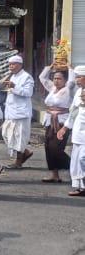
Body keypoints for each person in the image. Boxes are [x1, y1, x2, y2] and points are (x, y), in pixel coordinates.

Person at [39, 62, 73, 182]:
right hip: (49, 121)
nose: (56, 81)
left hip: (62, 121)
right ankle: (55, 174)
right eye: (54, 78)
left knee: (56, 148)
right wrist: (50, 66)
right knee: (48, 147)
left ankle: (74, 166)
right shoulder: (52, 88)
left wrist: (69, 68)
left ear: (65, 80)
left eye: (59, 78)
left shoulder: (68, 89)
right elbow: (42, 77)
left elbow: (72, 81)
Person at [1, 54, 34, 168]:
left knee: (19, 137)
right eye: (10, 64)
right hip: (11, 111)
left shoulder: (27, 77)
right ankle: (25, 152)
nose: (11, 66)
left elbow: (28, 93)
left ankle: (18, 162)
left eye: (13, 64)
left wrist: (14, 87)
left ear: (20, 65)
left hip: (21, 113)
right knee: (6, 134)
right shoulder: (12, 76)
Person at [57, 65, 85, 196]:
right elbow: (73, 111)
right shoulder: (79, 92)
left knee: (83, 158)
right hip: (79, 132)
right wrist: (64, 128)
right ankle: (80, 187)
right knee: (76, 160)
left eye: (79, 77)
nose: (77, 80)